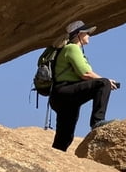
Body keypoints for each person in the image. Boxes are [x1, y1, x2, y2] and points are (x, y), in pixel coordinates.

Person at [49, 20, 119, 152]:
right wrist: (107, 81)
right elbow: (85, 73)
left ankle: (55, 155)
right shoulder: (72, 48)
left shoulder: (69, 49)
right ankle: (97, 121)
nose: (89, 35)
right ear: (79, 34)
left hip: (61, 96)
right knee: (102, 84)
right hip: (65, 91)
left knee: (65, 135)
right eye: (87, 33)